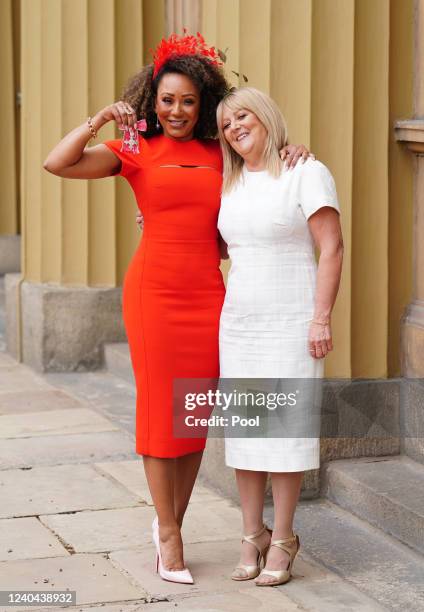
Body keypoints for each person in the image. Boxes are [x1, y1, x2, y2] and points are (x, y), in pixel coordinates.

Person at [43, 33, 311, 584]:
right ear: (151, 101)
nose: (177, 110)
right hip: (153, 293)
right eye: (167, 100)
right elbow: (57, 163)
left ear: (203, 103)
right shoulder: (136, 149)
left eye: (188, 100)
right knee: (159, 412)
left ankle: (173, 520)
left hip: (210, 294)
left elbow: (261, 183)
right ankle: (168, 535)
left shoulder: (221, 153)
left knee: (191, 413)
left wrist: (293, 150)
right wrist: (98, 120)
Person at [216, 87, 343, 586]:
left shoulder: (306, 172)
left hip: (292, 318)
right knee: (246, 431)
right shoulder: (229, 181)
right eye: (225, 124)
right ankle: (252, 534)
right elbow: (230, 245)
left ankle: (285, 537)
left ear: (266, 117)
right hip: (240, 320)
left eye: (242, 116)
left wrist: (321, 318)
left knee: (286, 432)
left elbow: (331, 248)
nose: (234, 128)